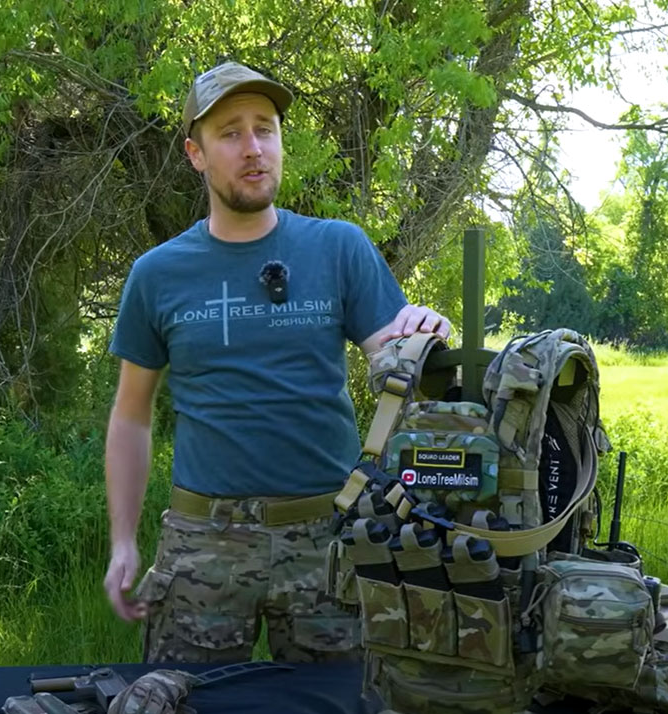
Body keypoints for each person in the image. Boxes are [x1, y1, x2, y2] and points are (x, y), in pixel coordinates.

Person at [102, 61, 451, 663]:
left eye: (265, 128)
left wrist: (427, 337)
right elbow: (131, 415)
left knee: (340, 705)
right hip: (202, 546)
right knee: (187, 704)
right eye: (230, 133)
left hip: (329, 539)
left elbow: (396, 368)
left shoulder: (338, 247)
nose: (253, 147)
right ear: (196, 153)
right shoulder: (157, 274)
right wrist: (123, 540)